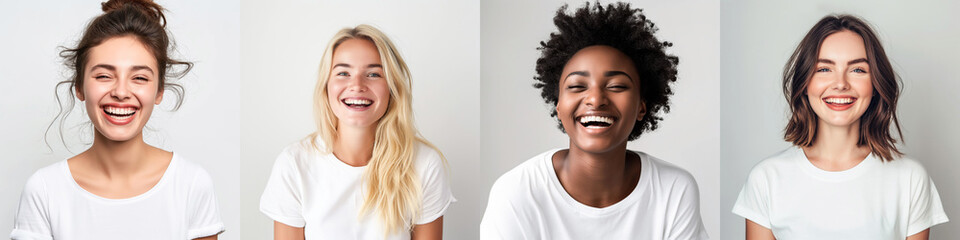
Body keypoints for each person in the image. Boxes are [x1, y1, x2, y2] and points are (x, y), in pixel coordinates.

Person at [479, 2, 708, 239]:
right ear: (559, 106)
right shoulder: (516, 192)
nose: (596, 99)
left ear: (642, 107)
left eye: (617, 86)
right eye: (577, 86)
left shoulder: (673, 190)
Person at [10, 0, 224, 239]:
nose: (121, 92)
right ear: (79, 87)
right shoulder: (44, 191)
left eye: (140, 78)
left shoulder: (192, 185)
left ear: (159, 91)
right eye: (103, 75)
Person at [733, 15, 948, 240]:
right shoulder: (766, 179)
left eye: (857, 70)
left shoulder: (910, 179)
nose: (841, 83)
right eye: (824, 69)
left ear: (875, 85)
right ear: (805, 83)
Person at [259, 24, 454, 240]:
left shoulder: (424, 164)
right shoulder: (294, 164)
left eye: (373, 74)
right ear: (326, 86)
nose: (357, 85)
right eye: (343, 73)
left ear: (392, 87)